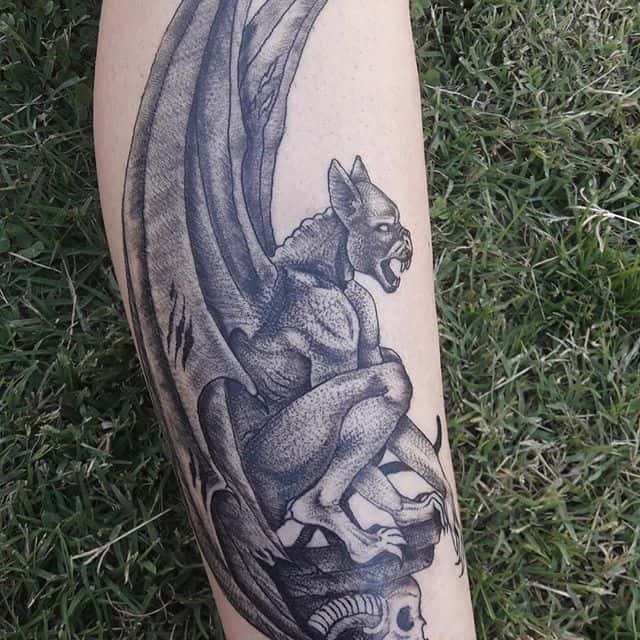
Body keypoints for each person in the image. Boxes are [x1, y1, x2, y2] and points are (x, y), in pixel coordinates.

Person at [94, 1, 477, 638]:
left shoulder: (350, 303)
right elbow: (353, 418)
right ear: (345, 216)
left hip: (300, 452)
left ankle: (326, 505)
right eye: (383, 228)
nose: (396, 240)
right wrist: (386, 500)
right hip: (268, 467)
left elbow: (362, 430)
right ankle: (321, 507)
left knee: (385, 380)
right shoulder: (313, 305)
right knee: (385, 380)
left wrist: (423, 484)